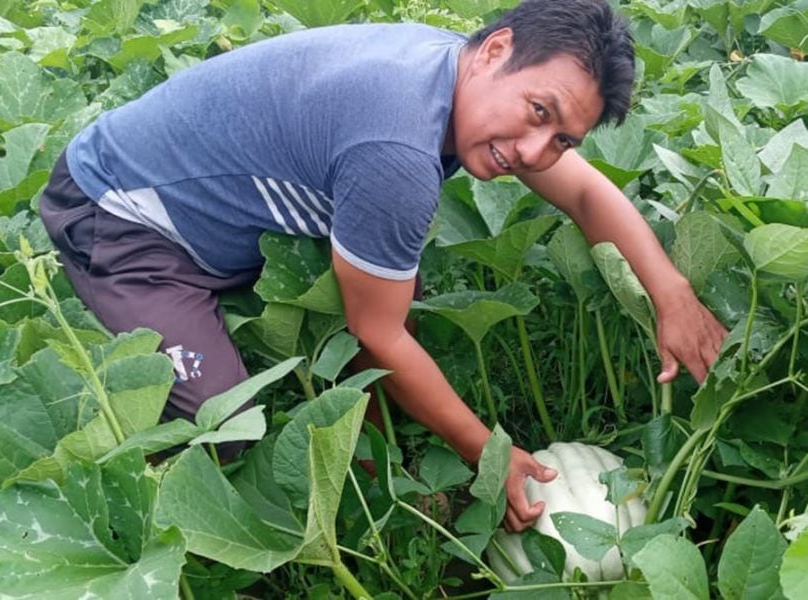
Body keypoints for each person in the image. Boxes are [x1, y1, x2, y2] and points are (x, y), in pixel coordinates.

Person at [38, 0, 727, 532]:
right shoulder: (395, 147)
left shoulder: (448, 72)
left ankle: (367, 464)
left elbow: (580, 187)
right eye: (536, 112)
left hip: (218, 194)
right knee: (222, 427)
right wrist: (489, 452)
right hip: (123, 217)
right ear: (495, 51)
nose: (533, 149)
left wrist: (669, 291)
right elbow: (379, 335)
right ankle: (136, 520)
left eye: (561, 137)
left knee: (394, 278)